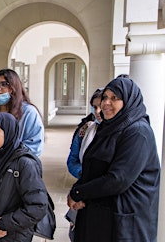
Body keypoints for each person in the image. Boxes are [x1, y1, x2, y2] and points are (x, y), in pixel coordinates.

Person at [67, 77, 160, 241]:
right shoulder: (108, 128)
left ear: (129, 101)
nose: (106, 103)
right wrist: (77, 190)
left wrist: (79, 192)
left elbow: (118, 179)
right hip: (100, 218)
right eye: (105, 97)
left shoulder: (137, 132)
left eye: (114, 98)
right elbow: (92, 167)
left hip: (124, 224)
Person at [0, 112, 48, 241]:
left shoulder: (24, 163)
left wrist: (1, 224)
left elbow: (37, 207)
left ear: (8, 132)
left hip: (14, 236)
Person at [0, 68, 44, 156]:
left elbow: (34, 146)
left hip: (17, 164)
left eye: (3, 84)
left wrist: (6, 153)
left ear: (14, 87)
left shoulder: (29, 112)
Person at [66, 88, 104, 179]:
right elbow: (72, 160)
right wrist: (83, 174)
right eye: (95, 107)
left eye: (101, 107)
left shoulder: (122, 133)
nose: (97, 111)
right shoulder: (85, 129)